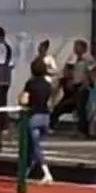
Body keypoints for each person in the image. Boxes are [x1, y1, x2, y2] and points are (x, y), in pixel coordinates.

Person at [18, 56, 56, 185]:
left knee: (35, 146)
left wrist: (21, 100)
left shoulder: (30, 83)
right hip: (45, 117)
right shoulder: (48, 84)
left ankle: (46, 173)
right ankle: (25, 172)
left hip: (34, 117)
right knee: (32, 146)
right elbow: (50, 101)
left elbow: (24, 100)